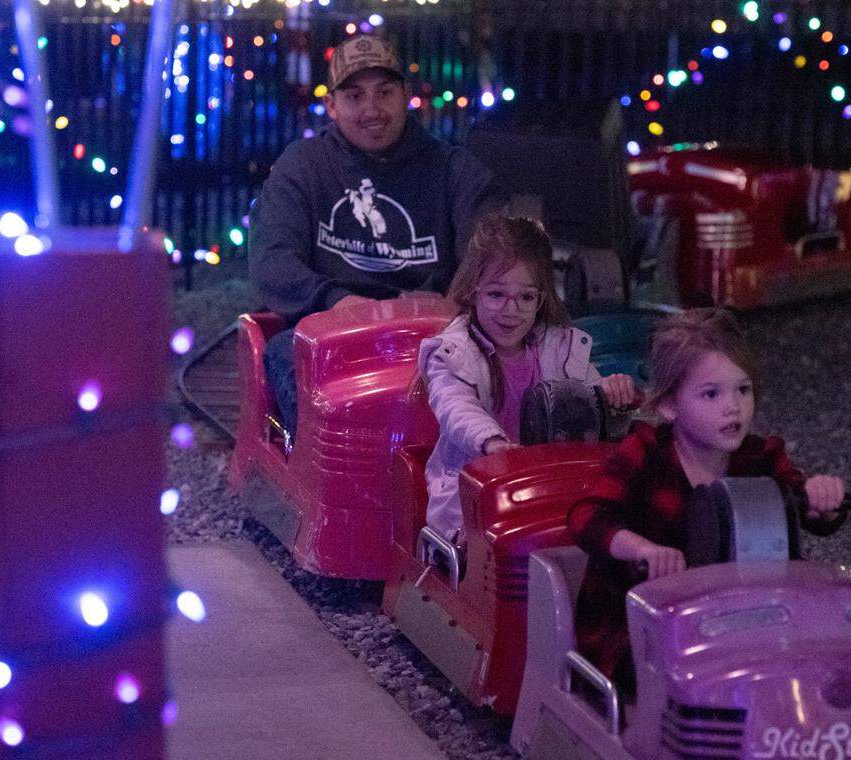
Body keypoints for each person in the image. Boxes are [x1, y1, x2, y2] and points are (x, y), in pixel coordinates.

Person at [567, 308, 847, 696]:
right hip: (643, 621)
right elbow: (586, 517)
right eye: (711, 394)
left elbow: (800, 504)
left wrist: (822, 498)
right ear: (669, 406)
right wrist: (644, 550)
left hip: (738, 617)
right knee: (685, 671)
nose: (732, 407)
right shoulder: (645, 452)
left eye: (742, 390)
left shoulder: (761, 457)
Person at [249, 34, 501, 432]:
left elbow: (490, 260)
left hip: (435, 332)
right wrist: (338, 301)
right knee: (283, 353)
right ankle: (335, 483)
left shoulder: (456, 170)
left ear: (405, 96)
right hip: (335, 333)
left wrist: (448, 306)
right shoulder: (302, 167)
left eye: (384, 93)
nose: (372, 110)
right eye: (354, 97)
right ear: (331, 105)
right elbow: (272, 260)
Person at [419, 216, 639, 542]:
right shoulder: (451, 354)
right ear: (472, 293)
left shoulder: (560, 347)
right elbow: (455, 408)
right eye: (496, 295)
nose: (512, 310)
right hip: (472, 491)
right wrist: (493, 444)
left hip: (551, 486)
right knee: (507, 541)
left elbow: (586, 395)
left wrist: (611, 399)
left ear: (541, 299)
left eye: (525, 297)